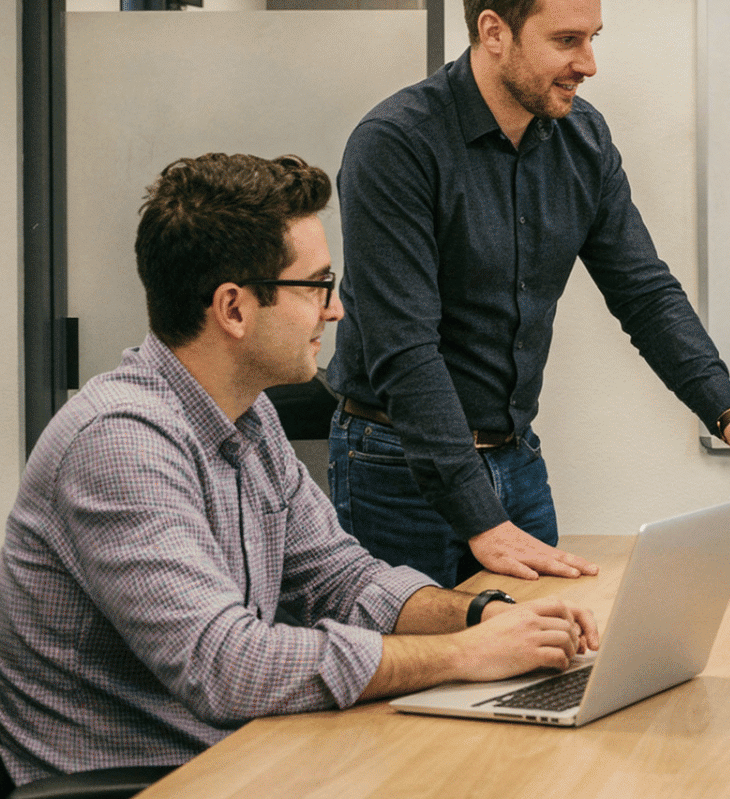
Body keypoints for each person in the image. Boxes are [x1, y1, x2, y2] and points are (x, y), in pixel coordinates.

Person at [0, 154, 599, 788]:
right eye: (317, 286)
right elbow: (226, 665)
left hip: (241, 757)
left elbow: (340, 579)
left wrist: (483, 616)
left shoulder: (248, 419)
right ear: (234, 309)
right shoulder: (120, 443)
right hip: (145, 781)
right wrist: (463, 656)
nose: (337, 310)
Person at [328, 0, 730, 587]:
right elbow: (405, 349)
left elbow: (644, 290)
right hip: (396, 466)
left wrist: (729, 414)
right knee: (409, 671)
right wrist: (479, 518)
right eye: (566, 41)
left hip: (514, 457)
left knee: (538, 663)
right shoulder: (396, 146)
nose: (589, 63)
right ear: (494, 31)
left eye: (592, 38)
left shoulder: (582, 137)